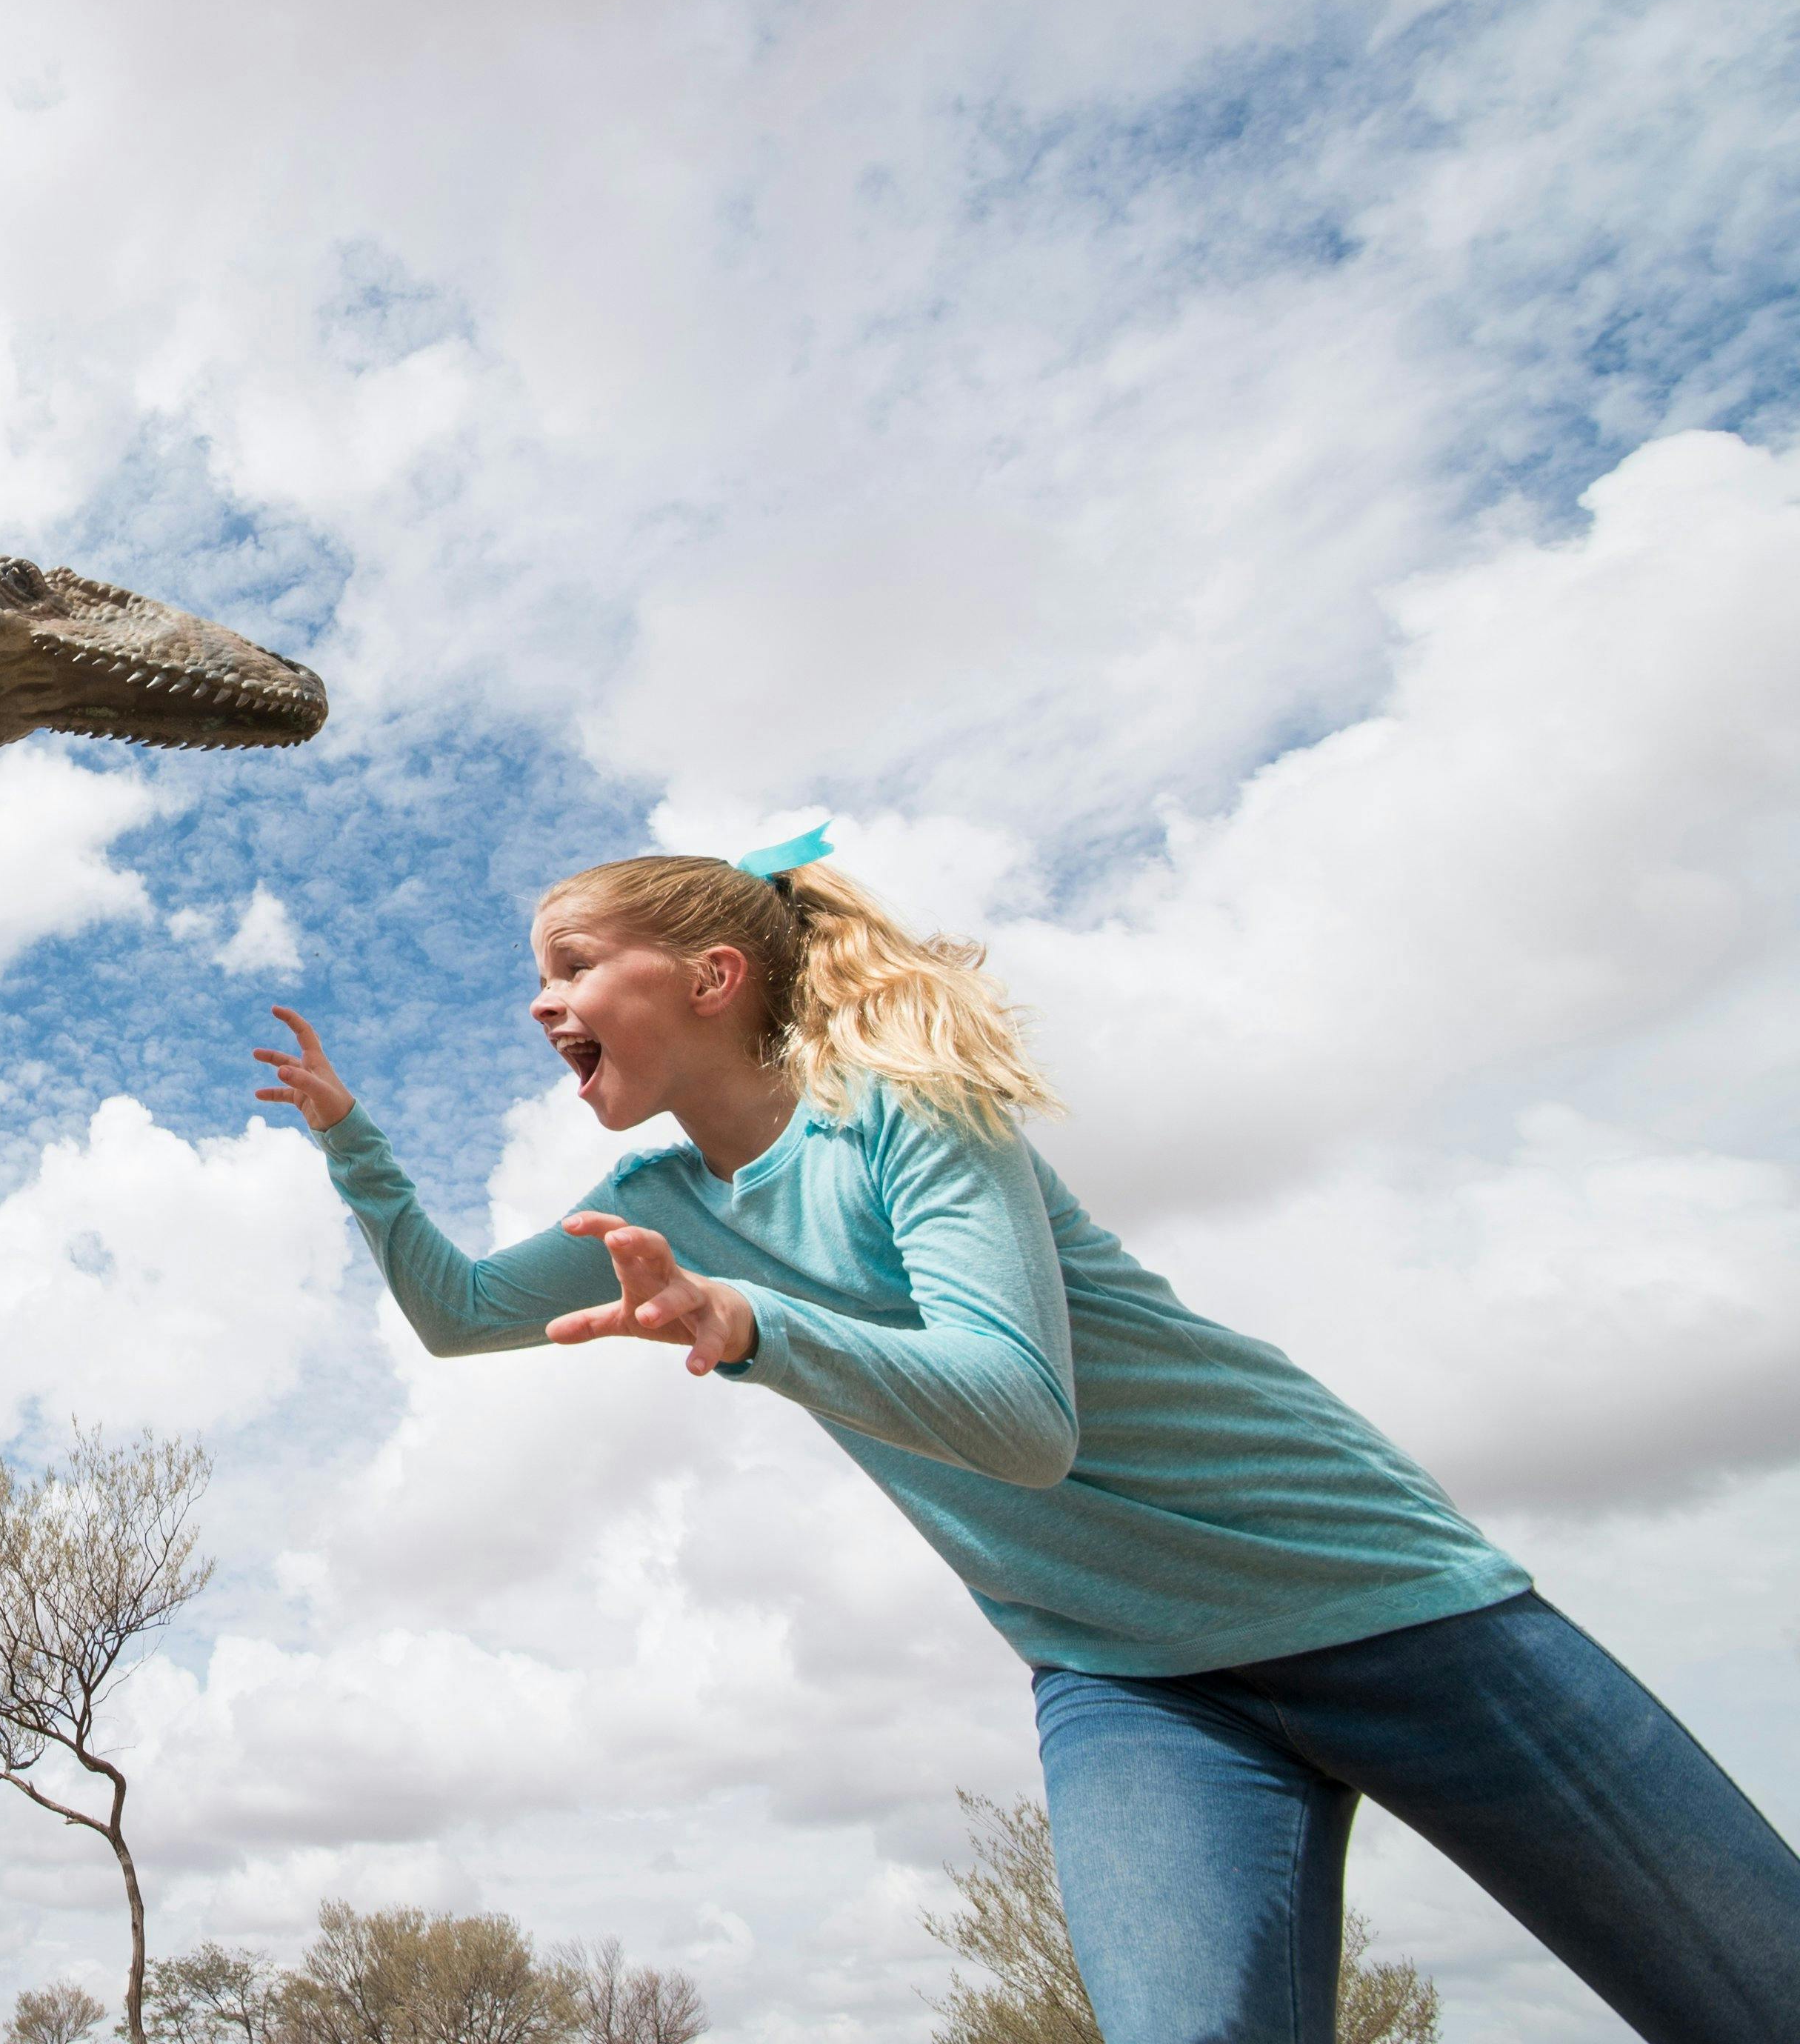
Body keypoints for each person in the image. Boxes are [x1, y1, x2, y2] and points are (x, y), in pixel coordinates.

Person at [247, 829, 1800, 2044]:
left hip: (1380, 1601)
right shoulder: (653, 1204)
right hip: (1125, 1676)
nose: (540, 1000)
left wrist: (753, 1324)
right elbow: (458, 1311)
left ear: (712, 976)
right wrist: (352, 1143)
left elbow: (1018, 1417)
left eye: (573, 964)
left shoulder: (902, 1107)